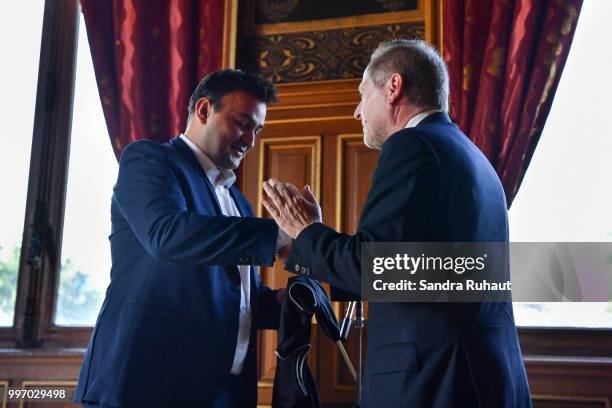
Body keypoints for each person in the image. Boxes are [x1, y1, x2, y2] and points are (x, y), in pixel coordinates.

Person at [262, 40, 532, 407]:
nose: (357, 112)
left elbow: (373, 267)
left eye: (361, 95)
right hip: (482, 377)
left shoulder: (412, 146)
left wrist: (307, 229)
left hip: (436, 383)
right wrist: (309, 246)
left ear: (393, 87)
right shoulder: (472, 156)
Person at [74, 69, 291, 407]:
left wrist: (279, 303)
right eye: (243, 124)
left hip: (224, 392)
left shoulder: (240, 202)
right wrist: (278, 236)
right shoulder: (149, 161)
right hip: (146, 384)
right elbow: (167, 235)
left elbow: (237, 295)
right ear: (204, 110)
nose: (250, 140)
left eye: (257, 130)